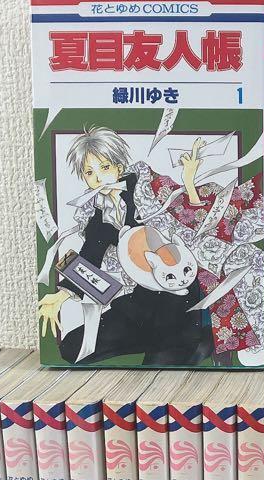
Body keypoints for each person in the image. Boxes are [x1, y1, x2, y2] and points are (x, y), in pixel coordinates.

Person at [37, 127, 211, 365]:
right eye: (89, 172)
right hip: (142, 301)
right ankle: (148, 340)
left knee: (159, 362)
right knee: (71, 348)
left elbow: (189, 217)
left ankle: (189, 342)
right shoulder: (97, 214)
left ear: (118, 168)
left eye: (105, 167)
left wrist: (189, 183)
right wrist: (60, 297)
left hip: (178, 296)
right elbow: (90, 256)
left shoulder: (147, 186)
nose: (99, 178)